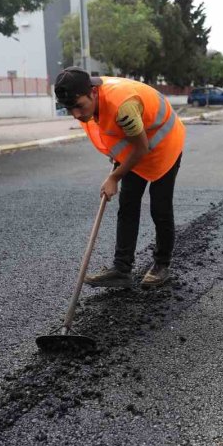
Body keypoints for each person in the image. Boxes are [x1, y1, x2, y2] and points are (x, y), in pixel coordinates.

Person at [53, 66, 185, 288]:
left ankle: (162, 266)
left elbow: (141, 148)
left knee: (160, 208)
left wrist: (114, 178)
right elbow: (119, 137)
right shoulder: (87, 91)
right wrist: (117, 162)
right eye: (69, 109)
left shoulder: (123, 107)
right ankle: (122, 270)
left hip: (164, 145)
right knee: (128, 205)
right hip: (136, 147)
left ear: (92, 92)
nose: (76, 114)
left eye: (78, 106)